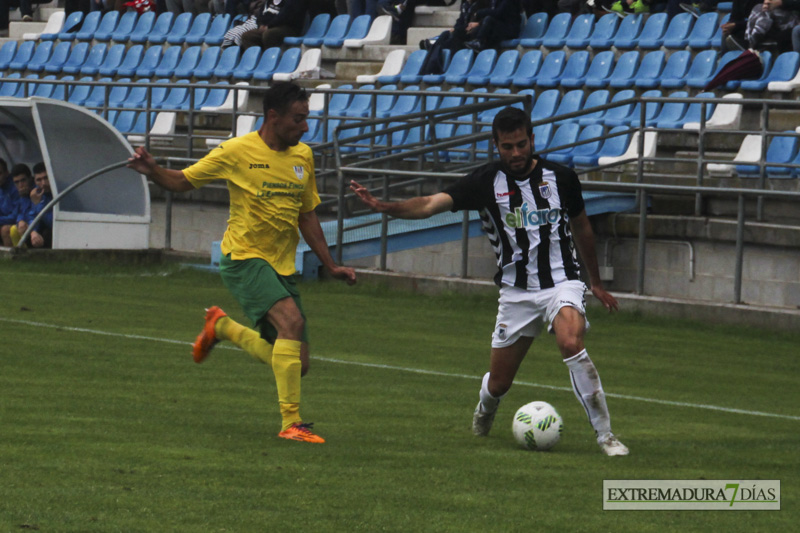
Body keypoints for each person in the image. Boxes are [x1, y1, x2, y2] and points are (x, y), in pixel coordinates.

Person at [349, 106, 629, 456]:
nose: (515, 153)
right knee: (499, 383)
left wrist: (595, 282)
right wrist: (385, 206)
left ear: (532, 140)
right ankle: (486, 407)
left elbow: (582, 226)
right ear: (495, 144)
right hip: (516, 293)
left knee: (571, 342)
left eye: (521, 144)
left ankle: (605, 435)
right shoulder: (484, 182)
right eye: (507, 146)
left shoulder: (562, 178)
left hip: (562, 281)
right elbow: (429, 204)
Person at [127, 82, 357, 444]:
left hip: (281, 266)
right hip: (244, 258)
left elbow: (307, 215)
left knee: (299, 363)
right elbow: (184, 182)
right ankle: (290, 424)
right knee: (292, 323)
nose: (306, 127)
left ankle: (221, 327)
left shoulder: (303, 157)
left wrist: (330, 265)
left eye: (307, 119)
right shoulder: (236, 151)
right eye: (298, 119)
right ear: (273, 117)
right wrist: (153, 170)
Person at [239, 0, 309, 50]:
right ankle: (256, 60)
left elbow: (285, 16)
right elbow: (261, 13)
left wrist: (269, 26)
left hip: (289, 28)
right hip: (270, 26)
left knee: (268, 34)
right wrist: (261, 24)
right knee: (248, 36)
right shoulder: (269, 1)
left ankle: (271, 57)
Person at [17, 162, 53, 249]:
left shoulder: (57, 191)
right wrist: (33, 231)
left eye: (46, 178)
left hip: (59, 231)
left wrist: (38, 205)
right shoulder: (37, 193)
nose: (43, 183)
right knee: (26, 231)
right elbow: (31, 215)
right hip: (43, 229)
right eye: (39, 180)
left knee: (47, 233)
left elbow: (53, 223)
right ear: (35, 181)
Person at [8, 163, 33, 247]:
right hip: (26, 224)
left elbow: (37, 211)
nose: (20, 185)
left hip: (37, 224)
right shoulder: (21, 194)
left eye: (23, 180)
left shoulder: (37, 190)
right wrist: (20, 220)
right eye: (17, 182)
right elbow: (19, 212)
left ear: (30, 178)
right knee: (13, 230)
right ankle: (18, 255)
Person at [0, 158, 19, 247]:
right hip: (4, 220)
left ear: (6, 173)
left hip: (20, 221)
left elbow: (15, 215)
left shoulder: (15, 187)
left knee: (5, 230)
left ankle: (10, 258)